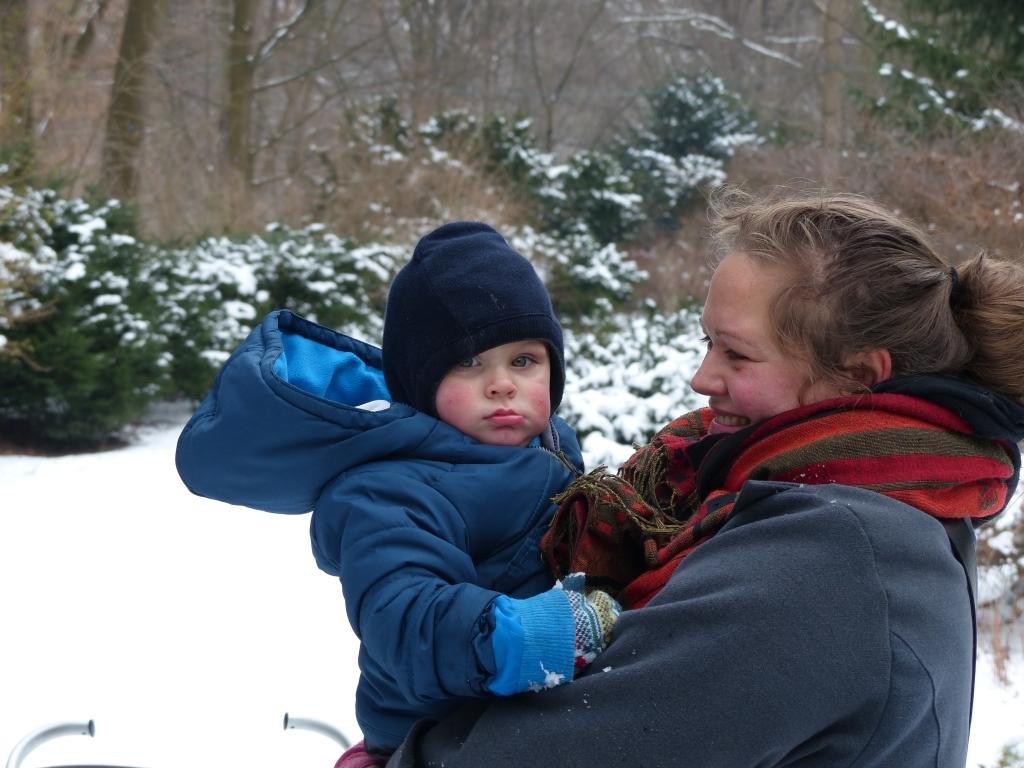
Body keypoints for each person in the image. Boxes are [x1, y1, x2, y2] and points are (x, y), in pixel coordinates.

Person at [385, 190, 1024, 768]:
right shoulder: (887, 494)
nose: (701, 378)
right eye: (706, 342)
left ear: (859, 376)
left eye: (736, 353)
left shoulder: (830, 557)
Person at [175, 222, 620, 767]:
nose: (503, 383)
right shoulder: (392, 489)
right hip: (434, 737)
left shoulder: (549, 449)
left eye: (523, 361)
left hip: (515, 716)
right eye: (470, 362)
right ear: (419, 383)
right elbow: (403, 617)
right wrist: (531, 636)